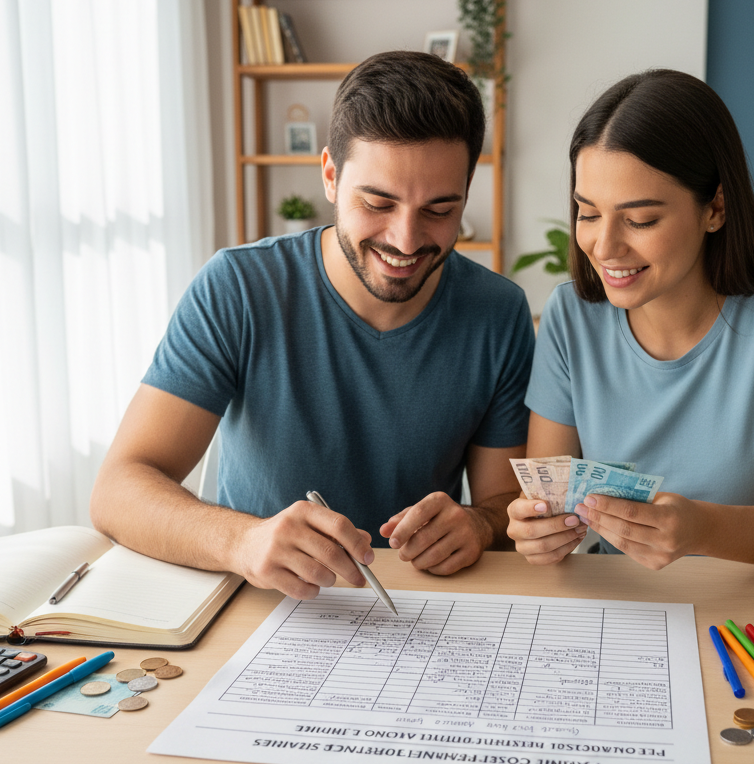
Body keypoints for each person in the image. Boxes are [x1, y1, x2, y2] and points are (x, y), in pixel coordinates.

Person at [91, 51, 534, 599]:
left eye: (440, 210)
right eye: (377, 202)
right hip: (257, 603)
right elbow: (117, 490)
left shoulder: (498, 312)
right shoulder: (239, 288)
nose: (406, 239)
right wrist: (243, 541)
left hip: (418, 610)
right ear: (330, 175)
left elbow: (502, 507)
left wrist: (480, 524)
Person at [508, 69, 754, 569]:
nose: (605, 246)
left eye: (640, 220)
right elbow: (543, 505)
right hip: (625, 610)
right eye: (588, 213)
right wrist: (538, 533)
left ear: (716, 208)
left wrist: (702, 529)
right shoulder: (571, 314)